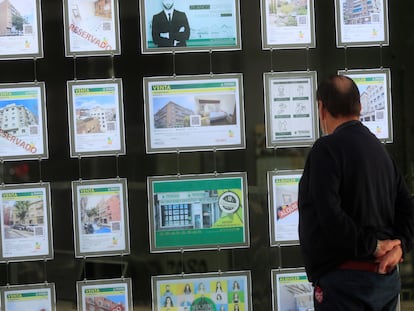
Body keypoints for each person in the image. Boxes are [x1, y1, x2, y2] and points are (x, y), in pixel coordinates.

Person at [298, 74, 414, 310]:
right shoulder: (381, 153)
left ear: (322, 108)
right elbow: (408, 211)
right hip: (385, 281)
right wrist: (400, 246)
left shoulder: (325, 150)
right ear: (360, 107)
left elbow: (329, 215)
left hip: (344, 284)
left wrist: (372, 246)